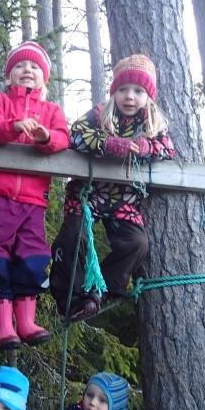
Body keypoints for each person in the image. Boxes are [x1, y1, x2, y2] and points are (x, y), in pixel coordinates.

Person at [49, 54, 175, 320]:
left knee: (137, 243)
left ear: (148, 96)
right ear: (114, 92)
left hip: (123, 200)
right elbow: (75, 136)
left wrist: (145, 147)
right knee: (74, 237)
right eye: (123, 89)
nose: (130, 96)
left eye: (138, 91)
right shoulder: (99, 115)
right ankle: (71, 299)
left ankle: (101, 291)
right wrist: (107, 144)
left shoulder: (152, 125)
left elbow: (167, 148)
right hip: (88, 194)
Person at [0, 41, 70, 349]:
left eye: (34, 67)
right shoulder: (1, 102)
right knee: (0, 255)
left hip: (33, 201)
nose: (27, 70)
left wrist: (45, 138)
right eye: (19, 66)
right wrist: (14, 125)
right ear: (9, 76)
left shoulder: (51, 110)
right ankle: (3, 325)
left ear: (44, 78)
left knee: (31, 258)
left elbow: (62, 138)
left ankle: (27, 321)